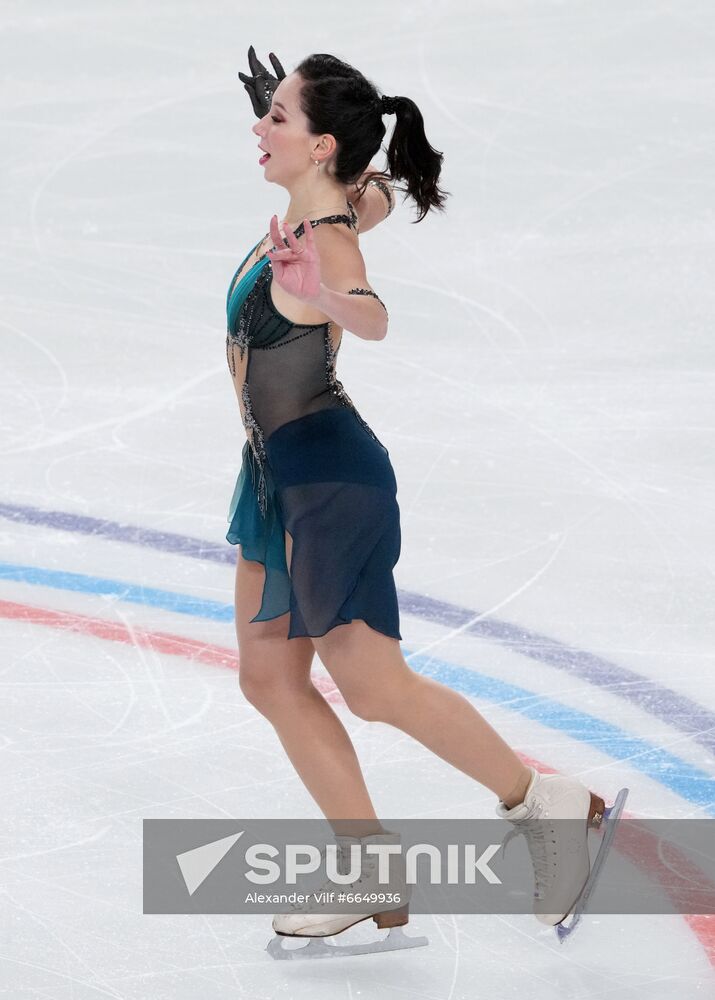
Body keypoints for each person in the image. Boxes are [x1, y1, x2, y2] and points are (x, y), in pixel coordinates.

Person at [227, 48, 625, 956]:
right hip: (272, 477)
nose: (258, 126)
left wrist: (324, 291)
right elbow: (370, 188)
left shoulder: (326, 226)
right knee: (268, 678)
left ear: (317, 143)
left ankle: (542, 803)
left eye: (274, 117)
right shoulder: (331, 194)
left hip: (329, 479)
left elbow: (368, 312)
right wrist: (304, 138)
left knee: (371, 687)